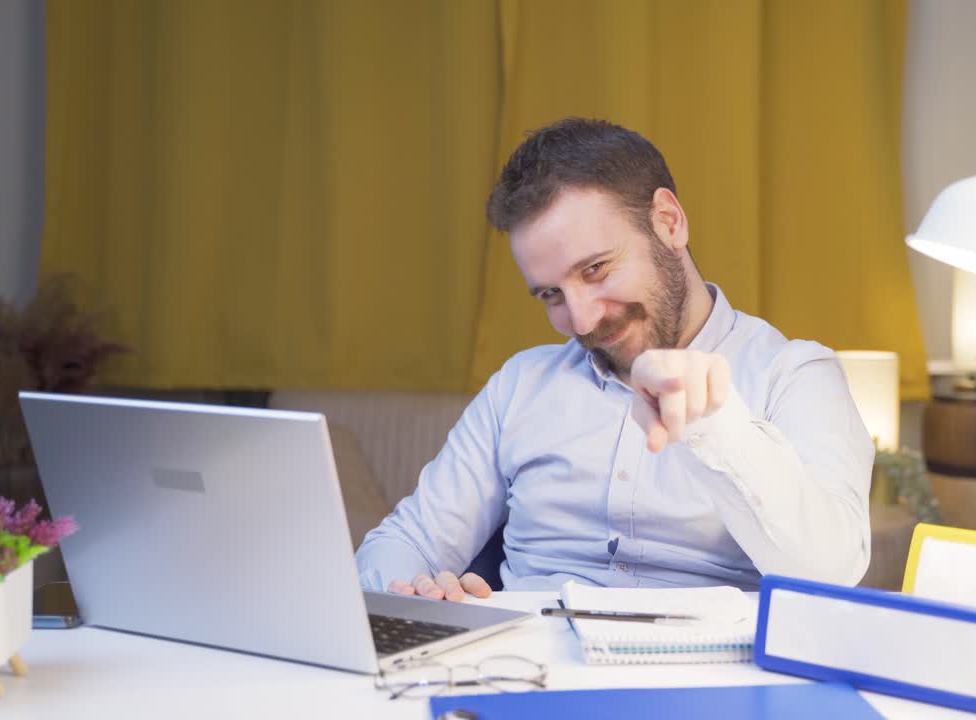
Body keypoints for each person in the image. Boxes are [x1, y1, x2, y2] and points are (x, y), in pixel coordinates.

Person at [355, 117, 873, 601]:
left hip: (702, 681)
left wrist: (714, 424)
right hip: (524, 670)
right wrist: (412, 593)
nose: (581, 321)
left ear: (668, 223)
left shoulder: (795, 377)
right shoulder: (521, 384)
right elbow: (408, 540)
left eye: (597, 269)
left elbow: (831, 574)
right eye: (550, 295)